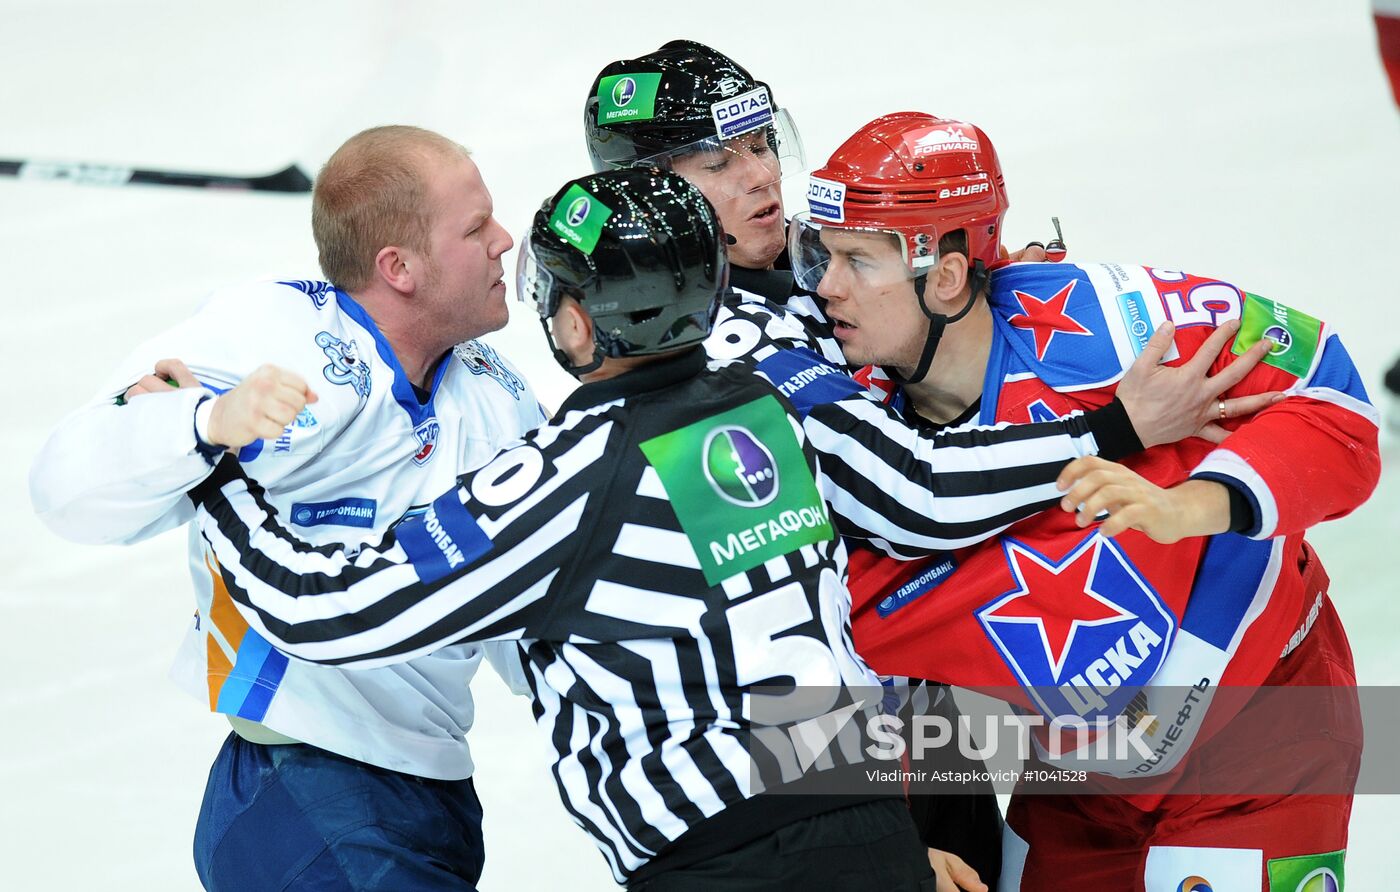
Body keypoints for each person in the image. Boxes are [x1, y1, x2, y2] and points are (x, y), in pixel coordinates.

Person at [181, 165, 1273, 890]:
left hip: (718, 864)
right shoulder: (778, 411)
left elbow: (331, 609)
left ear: (571, 319)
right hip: (871, 827)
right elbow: (927, 492)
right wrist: (1113, 423)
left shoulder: (562, 478)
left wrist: (216, 464)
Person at [786, 112, 1380, 889]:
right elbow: (798, 663)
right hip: (1076, 792)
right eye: (820, 255)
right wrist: (879, 841)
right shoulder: (844, 430)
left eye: (857, 261)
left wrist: (1195, 504)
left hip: (1266, 738)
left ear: (948, 274)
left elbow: (1336, 400)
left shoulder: (1108, 319)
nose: (823, 288)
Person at [28, 125, 545, 890]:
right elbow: (63, 491)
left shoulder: (501, 399)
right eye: (475, 228)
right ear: (397, 267)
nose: (506, 241)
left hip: (432, 793)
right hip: (299, 788)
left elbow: (527, 622)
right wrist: (203, 426)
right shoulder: (270, 337)